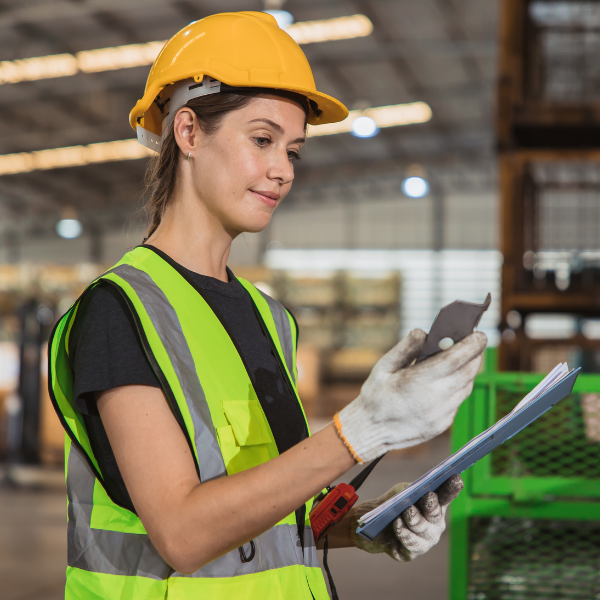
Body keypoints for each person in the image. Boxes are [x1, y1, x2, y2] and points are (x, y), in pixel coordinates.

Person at [48, 11, 487, 600]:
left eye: (294, 151)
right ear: (188, 133)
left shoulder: (271, 319)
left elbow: (269, 510)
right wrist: (359, 430)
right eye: (262, 140)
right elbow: (182, 531)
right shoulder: (120, 312)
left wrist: (363, 526)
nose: (282, 171)